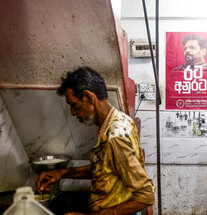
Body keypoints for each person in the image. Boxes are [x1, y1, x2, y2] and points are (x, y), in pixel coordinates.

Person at [37, 67, 155, 215]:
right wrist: (62, 172)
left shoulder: (115, 138)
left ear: (88, 97)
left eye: (73, 104)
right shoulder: (119, 119)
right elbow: (105, 168)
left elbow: (146, 195)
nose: (73, 112)